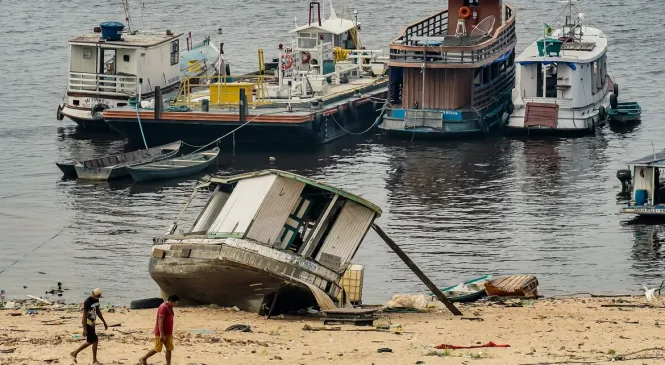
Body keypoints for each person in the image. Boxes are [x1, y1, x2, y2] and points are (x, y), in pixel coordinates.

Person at [139, 295, 179, 365]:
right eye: (175, 303)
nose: (175, 305)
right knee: (157, 349)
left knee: (169, 349)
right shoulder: (163, 307)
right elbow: (160, 321)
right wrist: (161, 334)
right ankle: (144, 358)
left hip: (168, 332)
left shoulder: (170, 307)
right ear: (170, 301)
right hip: (161, 332)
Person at [71, 288, 108, 364]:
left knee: (92, 341)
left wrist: (104, 322)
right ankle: (77, 353)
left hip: (92, 322)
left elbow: (98, 311)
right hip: (87, 323)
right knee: (93, 341)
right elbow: (84, 315)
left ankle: (76, 353)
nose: (98, 298)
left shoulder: (96, 300)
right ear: (93, 294)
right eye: (97, 296)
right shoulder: (87, 302)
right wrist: (84, 328)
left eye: (99, 297)